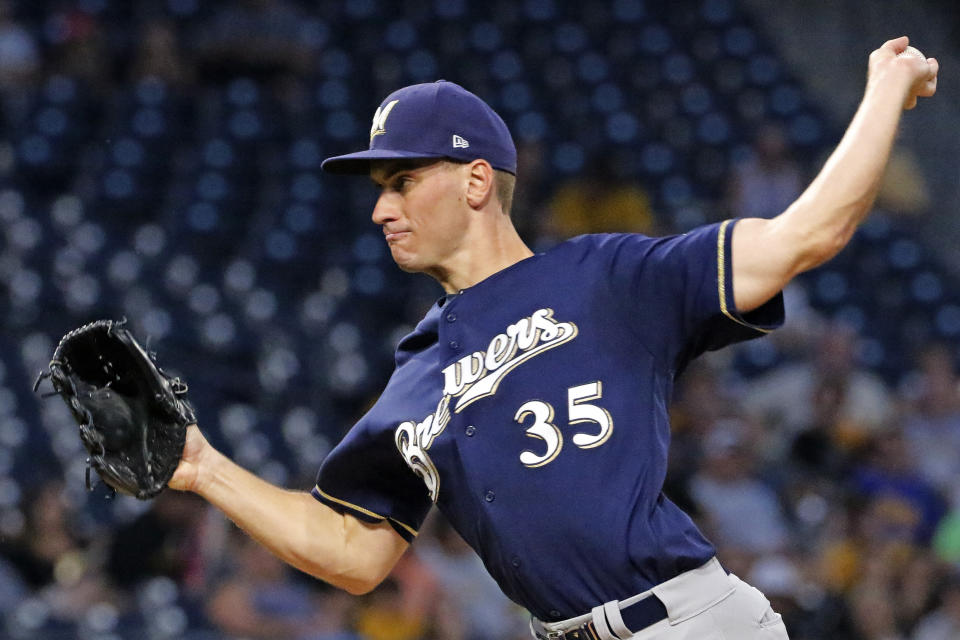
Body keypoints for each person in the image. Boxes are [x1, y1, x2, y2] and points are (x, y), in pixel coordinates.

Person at [167, 36, 938, 640]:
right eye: (380, 191)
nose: (381, 210)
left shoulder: (607, 276)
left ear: (475, 182)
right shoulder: (420, 368)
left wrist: (883, 92)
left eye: (402, 182)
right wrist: (205, 470)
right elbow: (355, 552)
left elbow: (806, 234)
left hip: (681, 623)